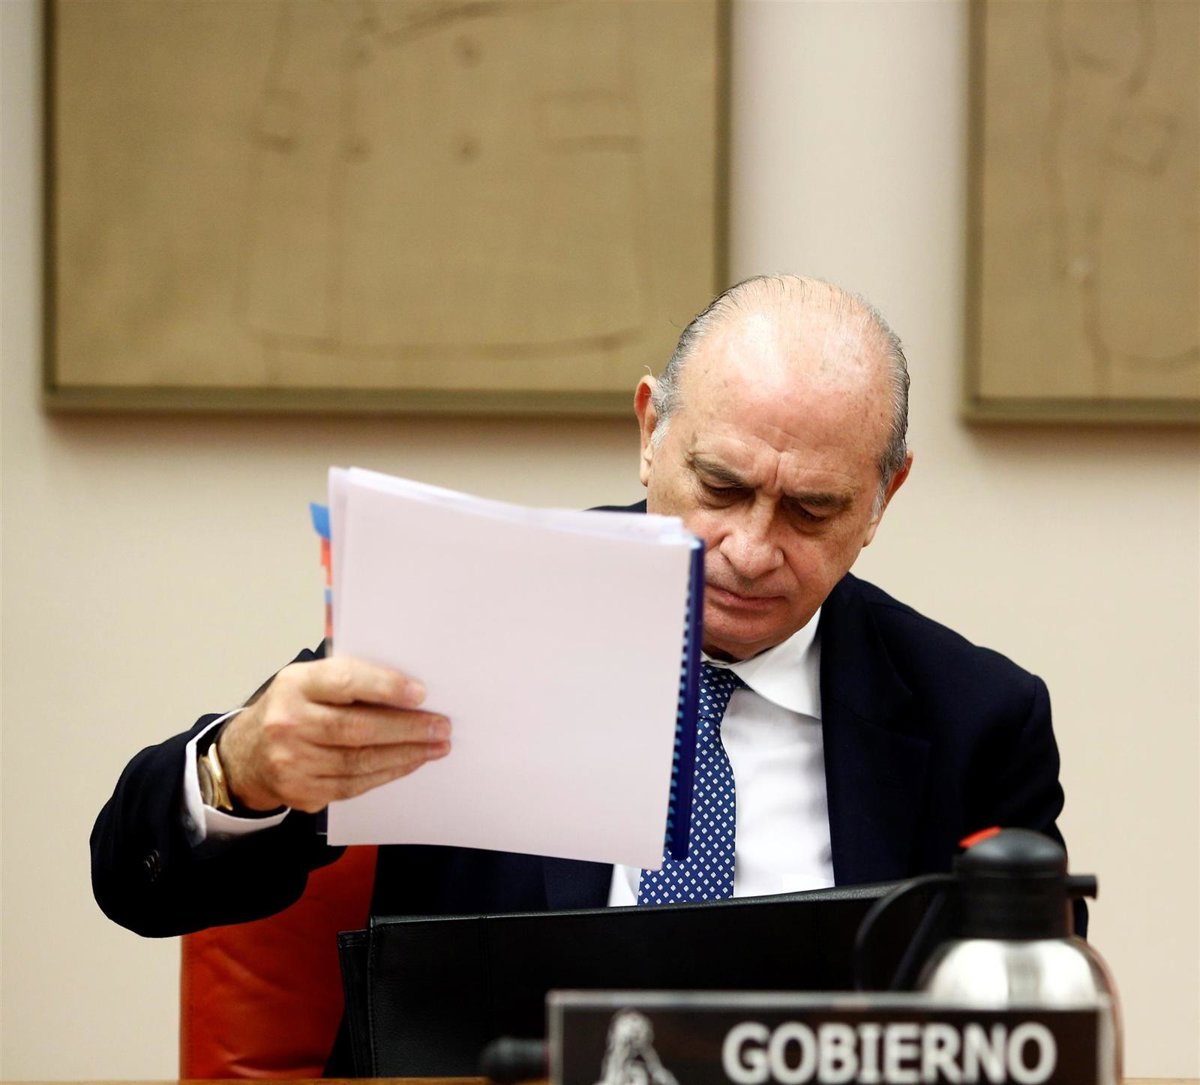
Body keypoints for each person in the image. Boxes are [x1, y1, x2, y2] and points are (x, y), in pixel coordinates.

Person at [91, 275, 1075, 940]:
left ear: (884, 497)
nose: (749, 548)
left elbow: (1027, 1024)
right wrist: (241, 771)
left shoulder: (978, 719)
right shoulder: (476, 611)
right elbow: (136, 883)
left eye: (812, 508)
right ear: (651, 431)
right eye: (721, 486)